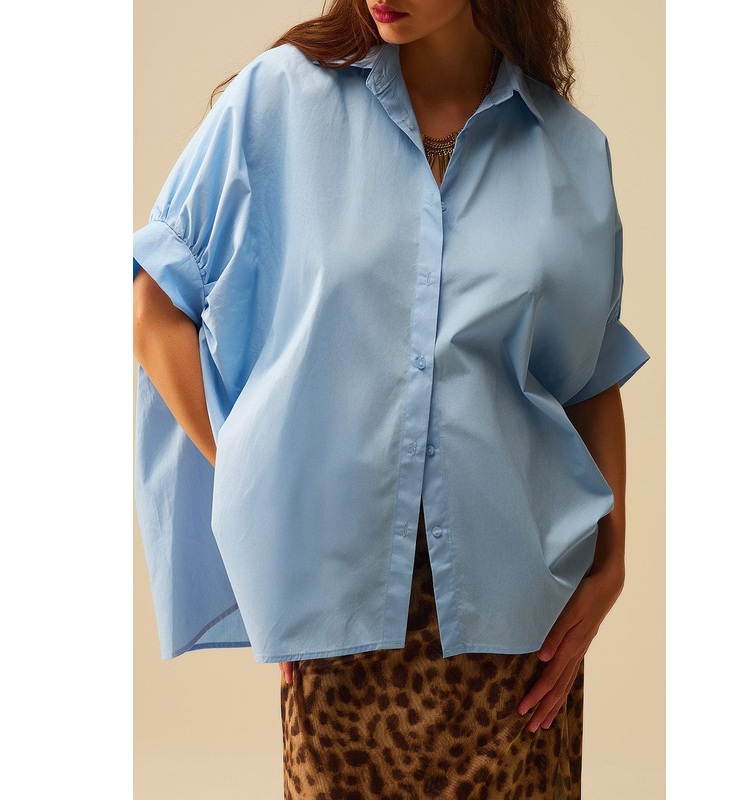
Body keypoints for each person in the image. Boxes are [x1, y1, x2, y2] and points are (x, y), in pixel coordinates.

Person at [133, 0, 650, 796]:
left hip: (517, 625)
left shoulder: (568, 152)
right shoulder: (279, 103)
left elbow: (587, 380)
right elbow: (154, 309)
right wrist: (254, 485)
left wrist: (612, 565)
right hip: (339, 602)